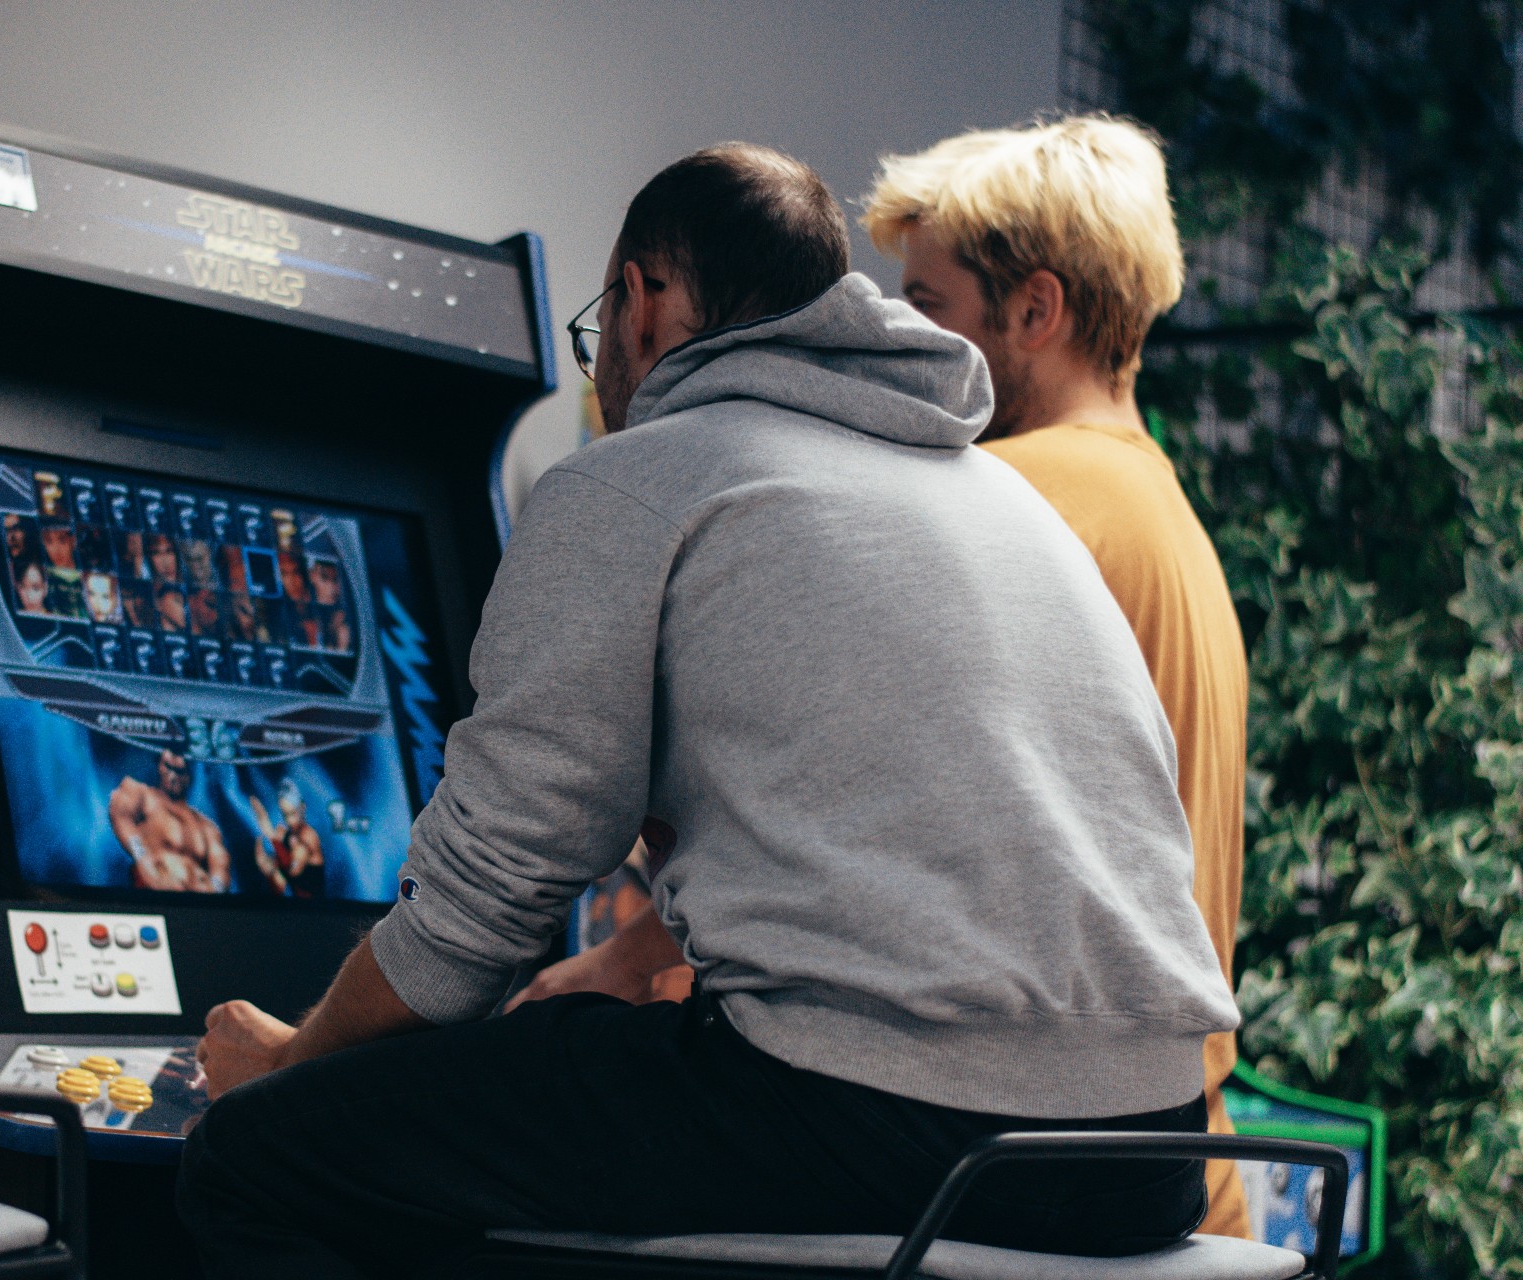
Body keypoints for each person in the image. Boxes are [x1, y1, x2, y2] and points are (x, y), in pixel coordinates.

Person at [179, 144, 1237, 1278]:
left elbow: (485, 897)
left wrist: (297, 1068)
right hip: (1150, 1149)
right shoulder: (1002, 497)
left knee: (260, 1160)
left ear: (642, 301)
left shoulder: (637, 478)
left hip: (888, 1116)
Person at [862, 114, 1253, 1240]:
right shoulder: (1157, 511)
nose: (900, 333)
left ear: (1034, 311)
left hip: (1019, 1178)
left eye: (927, 305)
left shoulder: (1013, 498)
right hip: (1174, 1164)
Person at [109, 749, 231, 892]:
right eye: (169, 767)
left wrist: (215, 891)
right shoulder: (142, 794)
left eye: (180, 771)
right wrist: (143, 860)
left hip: (195, 905)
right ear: (159, 765)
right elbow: (121, 816)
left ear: (189, 775)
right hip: (154, 894)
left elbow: (220, 864)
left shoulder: (206, 826)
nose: (173, 776)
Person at [248, 779, 325, 899]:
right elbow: (282, 882)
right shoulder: (287, 836)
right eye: (285, 815)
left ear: (302, 808)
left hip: (315, 909)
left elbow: (293, 870)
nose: (289, 821)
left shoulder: (308, 835)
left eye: (293, 813)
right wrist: (269, 869)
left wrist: (273, 837)